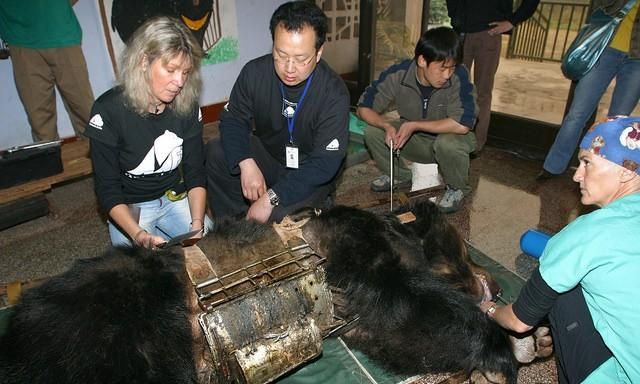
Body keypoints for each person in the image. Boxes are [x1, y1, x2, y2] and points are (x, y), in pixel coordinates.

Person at [480, 117, 640, 383]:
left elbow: (520, 321)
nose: (576, 175)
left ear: (625, 170)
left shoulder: (586, 233)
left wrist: (490, 311)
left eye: (587, 162)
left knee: (560, 288)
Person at [206, 1, 350, 224]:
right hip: (271, 156)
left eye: (301, 58)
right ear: (272, 43)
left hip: (309, 170)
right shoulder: (254, 73)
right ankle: (234, 228)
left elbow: (324, 163)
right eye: (281, 54)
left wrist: (271, 198)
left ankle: (316, 206)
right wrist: (246, 162)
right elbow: (233, 119)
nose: (289, 68)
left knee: (281, 219)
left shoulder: (334, 93)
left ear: (319, 52)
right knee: (217, 153)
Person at [84, 17, 210, 249]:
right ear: (143, 61)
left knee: (213, 249)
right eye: (171, 69)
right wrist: (138, 234)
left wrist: (197, 225)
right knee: (139, 273)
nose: (179, 82)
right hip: (132, 205)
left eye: (185, 72)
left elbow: (195, 172)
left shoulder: (187, 105)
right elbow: (107, 189)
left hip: (174, 197)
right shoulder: (108, 111)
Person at [357, 26, 477, 213]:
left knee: (448, 144)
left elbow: (463, 125)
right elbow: (364, 107)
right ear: (422, 60)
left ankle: (457, 188)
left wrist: (414, 125)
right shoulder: (399, 73)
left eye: (451, 68)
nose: (447, 75)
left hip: (449, 139)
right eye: (442, 68)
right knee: (373, 131)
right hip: (415, 142)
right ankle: (398, 175)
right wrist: (385, 125)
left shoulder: (459, 75)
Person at [538, 0, 640, 180]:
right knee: (577, 114)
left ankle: (600, 174)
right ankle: (553, 167)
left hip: (637, 59)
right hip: (604, 48)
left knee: (618, 122)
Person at [446, 0, 540, 152]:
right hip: (460, 33)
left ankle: (475, 145)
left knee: (482, 92)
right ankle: (450, 139)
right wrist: (455, 15)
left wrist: (512, 21)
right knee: (454, 89)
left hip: (488, 33)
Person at [0, 0, 94, 142]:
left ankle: (104, 160)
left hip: (61, 31)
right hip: (19, 39)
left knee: (85, 110)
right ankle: (50, 162)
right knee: (40, 122)